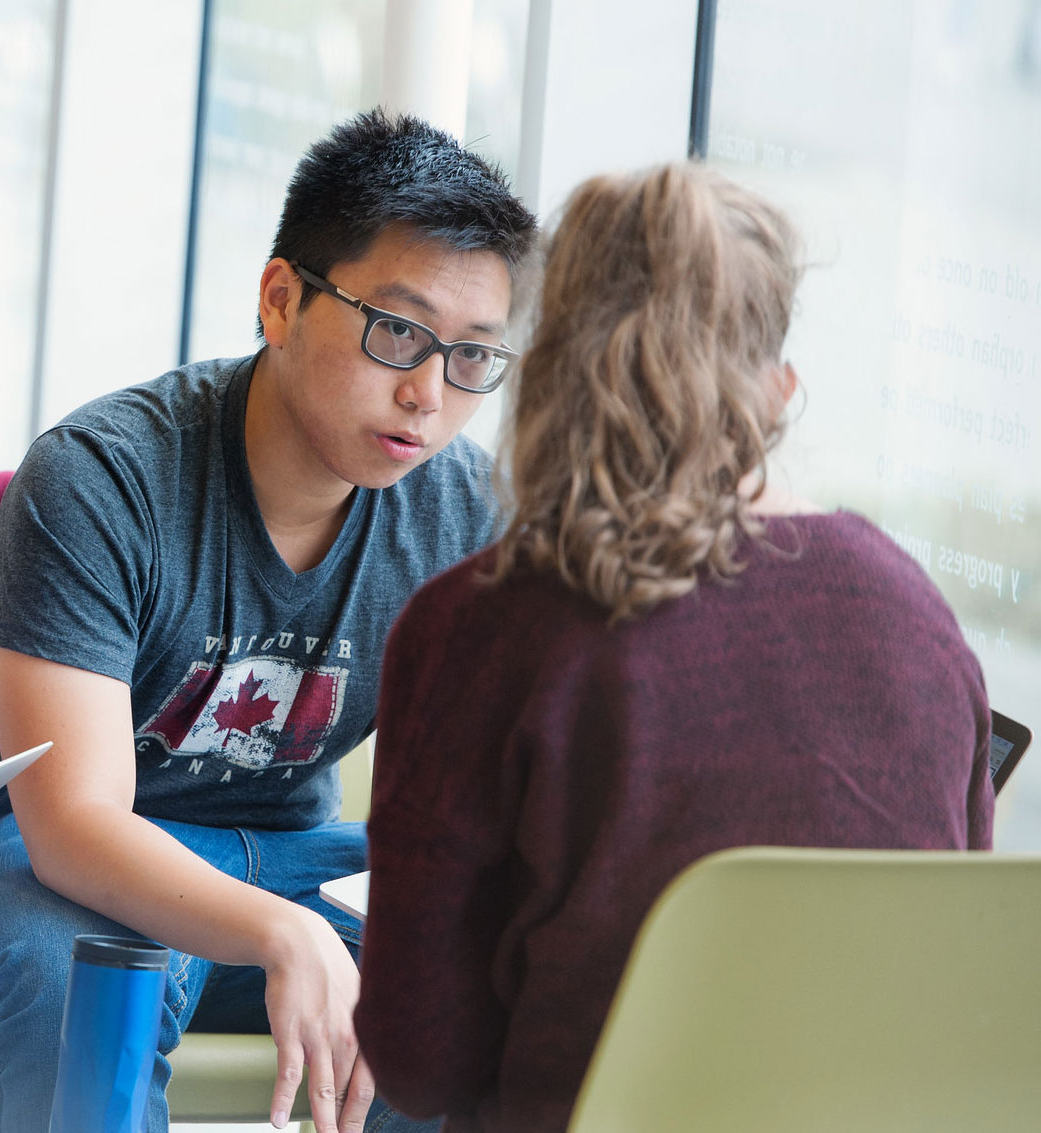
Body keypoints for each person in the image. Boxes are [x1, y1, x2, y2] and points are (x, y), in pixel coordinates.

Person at [0, 108, 538, 1132]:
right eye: (397, 331)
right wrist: (280, 931)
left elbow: (467, 808)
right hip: (8, 853)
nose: (426, 392)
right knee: (89, 976)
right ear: (280, 299)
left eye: (471, 357)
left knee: (483, 967)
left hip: (280, 851)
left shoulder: (462, 516)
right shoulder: (102, 476)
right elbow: (73, 827)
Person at [354, 162, 993, 1133]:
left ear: (553, 368)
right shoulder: (916, 615)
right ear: (777, 391)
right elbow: (946, 979)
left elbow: (421, 1062)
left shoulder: (478, 628)